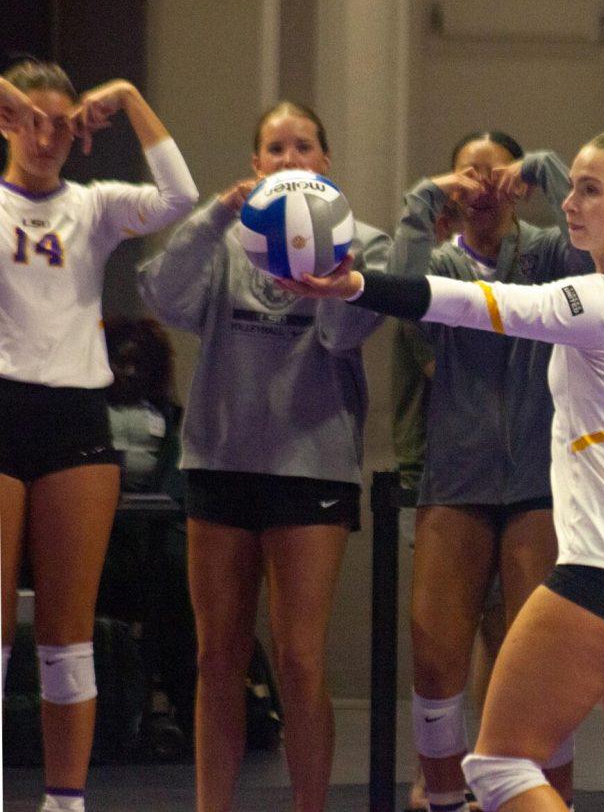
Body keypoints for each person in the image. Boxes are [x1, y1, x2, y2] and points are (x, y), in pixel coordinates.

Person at [287, 126, 604, 812]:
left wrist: (357, 284)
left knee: (501, 764)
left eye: (589, 189)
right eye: (571, 186)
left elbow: (478, 304)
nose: (570, 201)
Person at [137, 101, 390, 812]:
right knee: (217, 656)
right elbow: (161, 294)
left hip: (311, 467)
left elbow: (344, 336)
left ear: (325, 162)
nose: (289, 159)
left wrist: (333, 265)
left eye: (303, 146)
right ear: (256, 166)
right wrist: (221, 214)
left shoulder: (360, 241)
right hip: (219, 460)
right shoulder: (222, 242)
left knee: (301, 657)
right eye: (274, 148)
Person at [0, 61, 197, 812]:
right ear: (9, 121)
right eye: (30, 119)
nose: (46, 136)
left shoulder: (95, 206)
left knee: (66, 633)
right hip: (2, 407)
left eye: (61, 123)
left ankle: (65, 800)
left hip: (77, 419)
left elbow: (179, 194)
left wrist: (130, 100)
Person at [390, 132, 590, 811]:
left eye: (492, 172)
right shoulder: (441, 259)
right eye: (466, 174)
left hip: (537, 482)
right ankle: (443, 798)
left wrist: (543, 168)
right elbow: (399, 294)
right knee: (435, 660)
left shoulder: (546, 253)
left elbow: (589, 241)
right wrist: (425, 199)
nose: (479, 186)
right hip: (456, 481)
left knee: (539, 666)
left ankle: (548, 803)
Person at [98, 315, 192, 760]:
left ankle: (166, 701)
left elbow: (179, 484)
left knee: (178, 574)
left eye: (139, 365)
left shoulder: (174, 420)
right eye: (121, 363)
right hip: (101, 532)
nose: (129, 373)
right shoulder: (87, 415)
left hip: (156, 537)